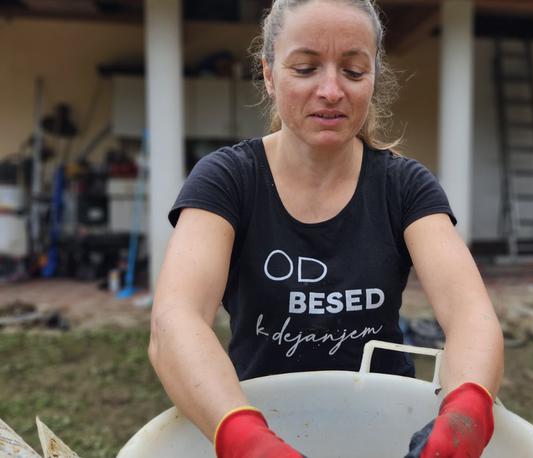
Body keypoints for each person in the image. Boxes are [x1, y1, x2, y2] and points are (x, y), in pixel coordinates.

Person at [148, 0, 504, 457]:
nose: (332, 90)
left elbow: (469, 312)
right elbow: (175, 320)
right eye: (306, 68)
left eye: (354, 71)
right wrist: (246, 441)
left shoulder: (404, 185)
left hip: (385, 427)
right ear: (270, 75)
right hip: (255, 418)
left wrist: (466, 416)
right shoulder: (228, 179)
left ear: (374, 79)